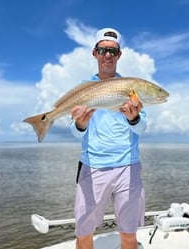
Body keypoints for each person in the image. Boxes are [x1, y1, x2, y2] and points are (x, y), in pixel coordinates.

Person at [70, 27, 146, 249]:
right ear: (95, 53)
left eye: (113, 51)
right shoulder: (83, 88)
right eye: (103, 50)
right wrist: (80, 123)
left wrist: (134, 119)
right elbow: (75, 132)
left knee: (129, 234)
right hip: (93, 167)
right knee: (84, 234)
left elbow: (142, 128)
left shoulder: (132, 88)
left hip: (128, 168)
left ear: (119, 55)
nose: (108, 55)